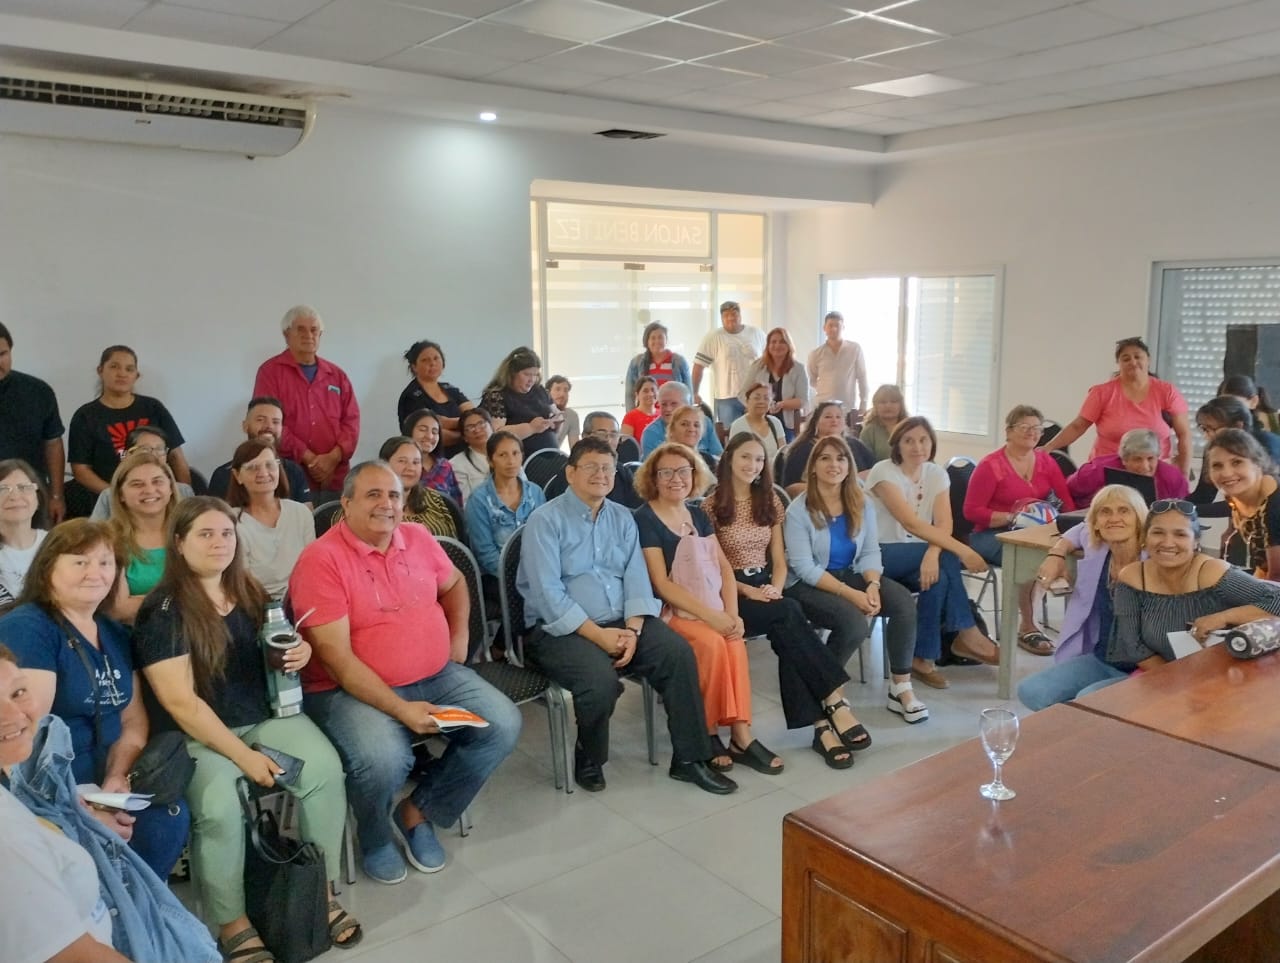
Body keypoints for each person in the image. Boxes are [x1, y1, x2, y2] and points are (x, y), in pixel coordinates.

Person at [134, 497, 360, 957]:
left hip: (260, 718)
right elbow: (181, 703)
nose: (219, 542)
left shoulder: (248, 590)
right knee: (219, 803)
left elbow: (276, 649)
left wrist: (301, 652)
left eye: (226, 533)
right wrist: (243, 758)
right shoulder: (163, 611)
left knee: (323, 771)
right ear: (179, 543)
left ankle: (321, 892)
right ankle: (232, 920)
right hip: (198, 736)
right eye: (205, 534)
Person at [292, 461, 521, 885]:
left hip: (435, 673)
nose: (387, 504)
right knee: (384, 760)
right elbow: (338, 660)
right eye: (373, 495)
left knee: (502, 724)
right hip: (348, 690)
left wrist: (458, 638)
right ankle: (375, 835)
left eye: (394, 495)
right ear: (345, 504)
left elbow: (454, 584)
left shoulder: (416, 537)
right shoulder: (320, 560)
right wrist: (401, 709)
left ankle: (418, 812)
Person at [517, 437, 736, 795]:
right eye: (591, 467)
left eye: (607, 468)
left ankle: (689, 759)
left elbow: (637, 578)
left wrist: (633, 629)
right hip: (560, 630)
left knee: (678, 654)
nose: (601, 474)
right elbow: (547, 595)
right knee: (600, 683)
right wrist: (598, 636)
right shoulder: (545, 520)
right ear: (570, 473)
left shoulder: (622, 517)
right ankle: (589, 756)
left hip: (623, 622)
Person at [0, 645, 218, 963]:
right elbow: (75, 956)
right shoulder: (9, 838)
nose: (14, 714)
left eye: (18, 692)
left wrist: (78, 818)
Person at [0, 519, 190, 880]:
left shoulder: (114, 633)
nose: (95, 573)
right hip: (47, 789)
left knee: (168, 815)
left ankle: (140, 916)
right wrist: (78, 810)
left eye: (105, 563)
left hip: (106, 777)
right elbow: (27, 740)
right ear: (47, 569)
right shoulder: (29, 628)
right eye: (80, 562)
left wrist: (117, 778)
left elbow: (133, 721)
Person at [705, 433, 862, 769]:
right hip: (730, 591)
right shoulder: (711, 505)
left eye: (760, 460)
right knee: (790, 615)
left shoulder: (770, 501)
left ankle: (822, 726)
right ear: (730, 458)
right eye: (746, 457)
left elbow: (779, 560)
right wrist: (751, 592)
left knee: (790, 630)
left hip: (767, 585)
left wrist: (775, 588)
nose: (753, 466)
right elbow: (714, 568)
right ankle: (833, 702)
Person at [634, 442, 782, 776]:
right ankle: (710, 730)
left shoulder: (698, 513)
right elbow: (662, 584)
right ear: (653, 479)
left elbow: (724, 568)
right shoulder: (644, 519)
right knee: (713, 643)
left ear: (694, 475)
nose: (677, 479)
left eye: (684, 471)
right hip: (670, 613)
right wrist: (711, 617)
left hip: (712, 607)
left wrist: (732, 614)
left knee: (733, 641)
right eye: (667, 472)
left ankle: (741, 736)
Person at [783, 436, 929, 725]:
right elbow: (804, 568)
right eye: (825, 458)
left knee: (901, 602)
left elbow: (871, 550)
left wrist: (873, 584)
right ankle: (827, 689)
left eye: (840, 458)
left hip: (849, 573)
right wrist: (852, 595)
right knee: (852, 623)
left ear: (849, 465)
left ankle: (900, 687)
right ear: (812, 467)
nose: (833, 465)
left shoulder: (861, 502)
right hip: (807, 583)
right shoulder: (798, 511)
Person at [866, 417, 1000, 687]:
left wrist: (931, 554)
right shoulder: (883, 472)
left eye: (923, 439)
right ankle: (967, 633)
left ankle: (923, 658)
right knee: (949, 558)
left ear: (932, 443)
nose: (917, 446)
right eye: (909, 440)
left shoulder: (936, 474)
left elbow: (944, 524)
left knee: (938, 576)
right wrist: (963, 551)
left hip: (916, 554)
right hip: (878, 554)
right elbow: (910, 522)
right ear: (898, 445)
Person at [1017, 485, 1147, 710]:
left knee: (1087, 700)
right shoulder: (1100, 550)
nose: (1114, 518)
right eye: (1105, 512)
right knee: (1031, 691)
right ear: (1095, 523)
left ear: (1140, 518)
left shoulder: (1155, 559)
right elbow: (1076, 531)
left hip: (1145, 668)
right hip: (1102, 658)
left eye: (1124, 511)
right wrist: (1056, 554)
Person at [1107, 499, 1280, 668]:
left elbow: (1276, 600)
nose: (1167, 542)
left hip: (1230, 674)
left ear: (1196, 541)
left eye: (1180, 534)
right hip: (1161, 675)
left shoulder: (1211, 571)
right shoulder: (1132, 578)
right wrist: (1173, 681)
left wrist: (1223, 617)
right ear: (1145, 537)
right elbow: (1133, 646)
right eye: (1158, 532)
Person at [963, 404, 1075, 656]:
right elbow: (971, 511)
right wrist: (1013, 517)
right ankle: (1027, 625)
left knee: (1059, 553)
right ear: (1009, 431)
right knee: (1030, 558)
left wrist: (1069, 526)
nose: (1032, 433)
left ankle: (1062, 623)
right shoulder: (990, 465)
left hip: (1033, 533)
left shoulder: (1046, 461)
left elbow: (1067, 502)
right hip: (990, 535)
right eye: (1025, 427)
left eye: (1037, 428)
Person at [253, 305, 361, 504]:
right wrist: (310, 458)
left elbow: (352, 422)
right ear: (287, 335)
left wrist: (333, 458)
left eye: (314, 330)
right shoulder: (270, 372)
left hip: (335, 478)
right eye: (300, 329)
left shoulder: (337, 375)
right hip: (289, 477)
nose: (308, 335)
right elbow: (268, 424)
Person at [68, 344, 191, 518]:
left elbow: (176, 456)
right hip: (108, 502)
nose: (122, 373)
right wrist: (120, 496)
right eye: (114, 366)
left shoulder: (153, 408)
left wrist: (182, 498)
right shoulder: (85, 416)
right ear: (100, 370)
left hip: (157, 499)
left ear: (136, 375)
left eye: (129, 369)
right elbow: (81, 470)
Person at [1041, 336, 1192, 477]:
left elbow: (1184, 435)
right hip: (1107, 472)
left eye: (1138, 357)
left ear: (1148, 360)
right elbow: (1078, 426)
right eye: (1126, 359)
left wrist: (1183, 476)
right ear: (1119, 364)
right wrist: (1049, 447)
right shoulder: (1102, 392)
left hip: (1154, 472)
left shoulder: (1167, 392)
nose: (1133, 362)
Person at [225, 439, 315, 598]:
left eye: (270, 465)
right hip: (257, 606)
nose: (263, 473)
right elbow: (242, 583)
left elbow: (314, 566)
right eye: (253, 467)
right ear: (237, 475)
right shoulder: (230, 521)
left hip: (304, 599)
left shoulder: (300, 512)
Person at [0, 322, 66, 522]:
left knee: (38, 552)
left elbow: (53, 443)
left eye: (2, 354)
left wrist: (57, 495)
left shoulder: (38, 391)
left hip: (30, 496)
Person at [108, 450, 182, 623]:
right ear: (121, 495)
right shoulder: (109, 539)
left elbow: (212, 592)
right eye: (137, 484)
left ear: (170, 488)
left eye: (157, 481)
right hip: (135, 638)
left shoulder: (190, 530)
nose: (149, 490)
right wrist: (183, 597)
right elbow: (119, 609)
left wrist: (142, 600)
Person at [466, 429, 545, 579]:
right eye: (503, 455)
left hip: (537, 571)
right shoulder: (478, 500)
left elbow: (545, 538)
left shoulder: (535, 492)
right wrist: (519, 577)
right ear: (490, 460)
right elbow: (486, 554)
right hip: (499, 577)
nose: (511, 461)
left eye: (516, 453)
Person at [207, 397, 312, 504]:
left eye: (275, 422)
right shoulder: (222, 475)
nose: (269, 426)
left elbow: (306, 516)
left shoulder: (294, 471)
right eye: (260, 420)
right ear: (245, 426)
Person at [1206, 429, 1280, 580]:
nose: (1226, 473)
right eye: (1217, 465)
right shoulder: (1235, 497)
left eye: (1237, 462)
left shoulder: (1275, 504)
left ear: (1257, 464)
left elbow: (1277, 577)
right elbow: (1264, 566)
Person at [89, 426, 195, 520]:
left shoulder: (183, 491)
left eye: (159, 449)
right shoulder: (109, 495)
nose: (153, 454)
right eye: (145, 449)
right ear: (127, 455)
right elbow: (94, 535)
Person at [1066, 427, 1191, 507]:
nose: (1145, 466)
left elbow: (1183, 509)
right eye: (1137, 459)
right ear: (1124, 459)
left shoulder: (1172, 477)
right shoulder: (1096, 470)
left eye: (1150, 458)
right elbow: (1068, 492)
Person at [692, 300, 765, 429]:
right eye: (726, 315)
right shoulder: (713, 337)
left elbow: (769, 361)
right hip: (726, 397)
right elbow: (699, 366)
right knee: (731, 435)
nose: (731, 318)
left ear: (740, 315)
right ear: (721, 318)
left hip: (755, 395)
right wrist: (695, 392)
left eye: (734, 314)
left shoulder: (756, 333)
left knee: (757, 431)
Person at [479, 346, 561, 457]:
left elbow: (555, 413)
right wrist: (530, 428)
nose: (531, 379)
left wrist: (556, 422)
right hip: (520, 461)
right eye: (527, 374)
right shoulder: (496, 396)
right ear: (512, 373)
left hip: (551, 456)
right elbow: (496, 434)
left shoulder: (540, 390)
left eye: (535, 375)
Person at [780, 400, 876, 495]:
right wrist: (830, 489)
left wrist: (854, 481)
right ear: (816, 422)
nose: (834, 420)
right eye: (828, 417)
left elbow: (875, 470)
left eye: (838, 417)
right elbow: (790, 487)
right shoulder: (802, 448)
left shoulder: (855, 444)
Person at [397, 340, 474, 456]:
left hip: (465, 455)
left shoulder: (450, 389)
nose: (432, 363)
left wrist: (450, 423)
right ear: (414, 367)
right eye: (425, 360)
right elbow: (432, 435)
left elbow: (474, 416)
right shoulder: (411, 396)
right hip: (431, 458)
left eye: (436, 358)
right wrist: (468, 431)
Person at [740, 327, 808, 443]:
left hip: (787, 424)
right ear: (768, 345)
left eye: (782, 342)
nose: (777, 345)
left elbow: (803, 400)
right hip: (758, 420)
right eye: (773, 342)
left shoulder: (798, 369)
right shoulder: (757, 366)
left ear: (789, 345)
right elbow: (742, 394)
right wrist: (756, 405)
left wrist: (781, 404)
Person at [0, 459, 48, 610]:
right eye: (2, 489)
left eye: (24, 487)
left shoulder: (58, 543)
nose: (15, 497)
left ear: (38, 497)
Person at [640, 381, 724, 460]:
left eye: (674, 404)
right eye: (664, 404)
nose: (668, 409)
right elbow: (652, 469)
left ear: (688, 405)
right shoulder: (651, 432)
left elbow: (718, 456)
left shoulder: (703, 422)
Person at [807, 311, 868, 413]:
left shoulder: (854, 349)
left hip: (847, 407)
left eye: (837, 326)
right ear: (824, 328)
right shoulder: (815, 354)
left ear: (843, 327)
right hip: (822, 407)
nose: (834, 329)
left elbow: (862, 377)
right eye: (830, 325)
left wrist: (863, 403)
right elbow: (812, 380)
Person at [623, 320, 691, 410]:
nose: (657, 341)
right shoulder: (637, 363)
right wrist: (630, 418)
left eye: (660, 337)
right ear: (647, 341)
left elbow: (688, 392)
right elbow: (630, 394)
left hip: (674, 414)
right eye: (653, 338)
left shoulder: (679, 361)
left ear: (666, 339)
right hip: (646, 414)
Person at [402, 408, 462, 503]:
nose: (429, 436)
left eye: (434, 432)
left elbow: (456, 503)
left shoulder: (445, 466)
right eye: (422, 430)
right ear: (409, 431)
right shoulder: (398, 465)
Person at [729, 382, 785, 462]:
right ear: (747, 401)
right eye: (757, 398)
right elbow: (734, 457)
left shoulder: (775, 423)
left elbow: (782, 454)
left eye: (766, 398)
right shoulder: (738, 426)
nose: (761, 401)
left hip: (774, 472)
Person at [451, 408, 495, 503]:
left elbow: (525, 487)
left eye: (481, 423)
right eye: (470, 427)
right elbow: (466, 503)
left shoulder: (508, 451)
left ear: (491, 427)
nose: (477, 430)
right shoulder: (457, 464)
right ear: (464, 437)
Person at [859, 384, 907, 463]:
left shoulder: (911, 428)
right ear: (875, 406)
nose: (888, 405)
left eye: (893, 401)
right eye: (883, 402)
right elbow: (863, 463)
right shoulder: (869, 431)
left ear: (901, 405)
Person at [546, 375, 580, 449]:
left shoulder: (572, 415)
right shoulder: (539, 411)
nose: (562, 394)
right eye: (557, 389)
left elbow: (575, 448)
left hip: (555, 456)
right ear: (548, 393)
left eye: (566, 390)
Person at [623, 376, 661, 440]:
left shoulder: (662, 414)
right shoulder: (630, 417)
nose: (650, 394)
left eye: (653, 390)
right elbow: (626, 444)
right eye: (645, 391)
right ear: (637, 395)